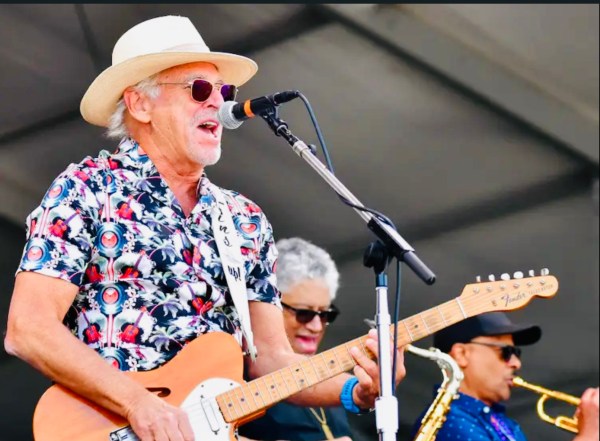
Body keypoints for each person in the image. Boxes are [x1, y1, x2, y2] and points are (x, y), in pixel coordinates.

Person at [3, 15, 405, 441]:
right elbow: (28, 329)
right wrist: (137, 403)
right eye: (198, 89)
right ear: (140, 104)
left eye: (224, 91)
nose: (218, 102)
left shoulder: (244, 219)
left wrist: (356, 391)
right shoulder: (88, 189)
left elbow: (270, 358)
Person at [410, 312, 599, 441]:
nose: (516, 363)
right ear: (461, 354)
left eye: (517, 352)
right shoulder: (448, 422)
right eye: (506, 352)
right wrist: (589, 435)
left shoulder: (501, 422)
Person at [240, 237, 352, 441]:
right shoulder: (236, 376)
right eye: (303, 313)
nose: (316, 327)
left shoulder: (329, 380)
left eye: (325, 314)